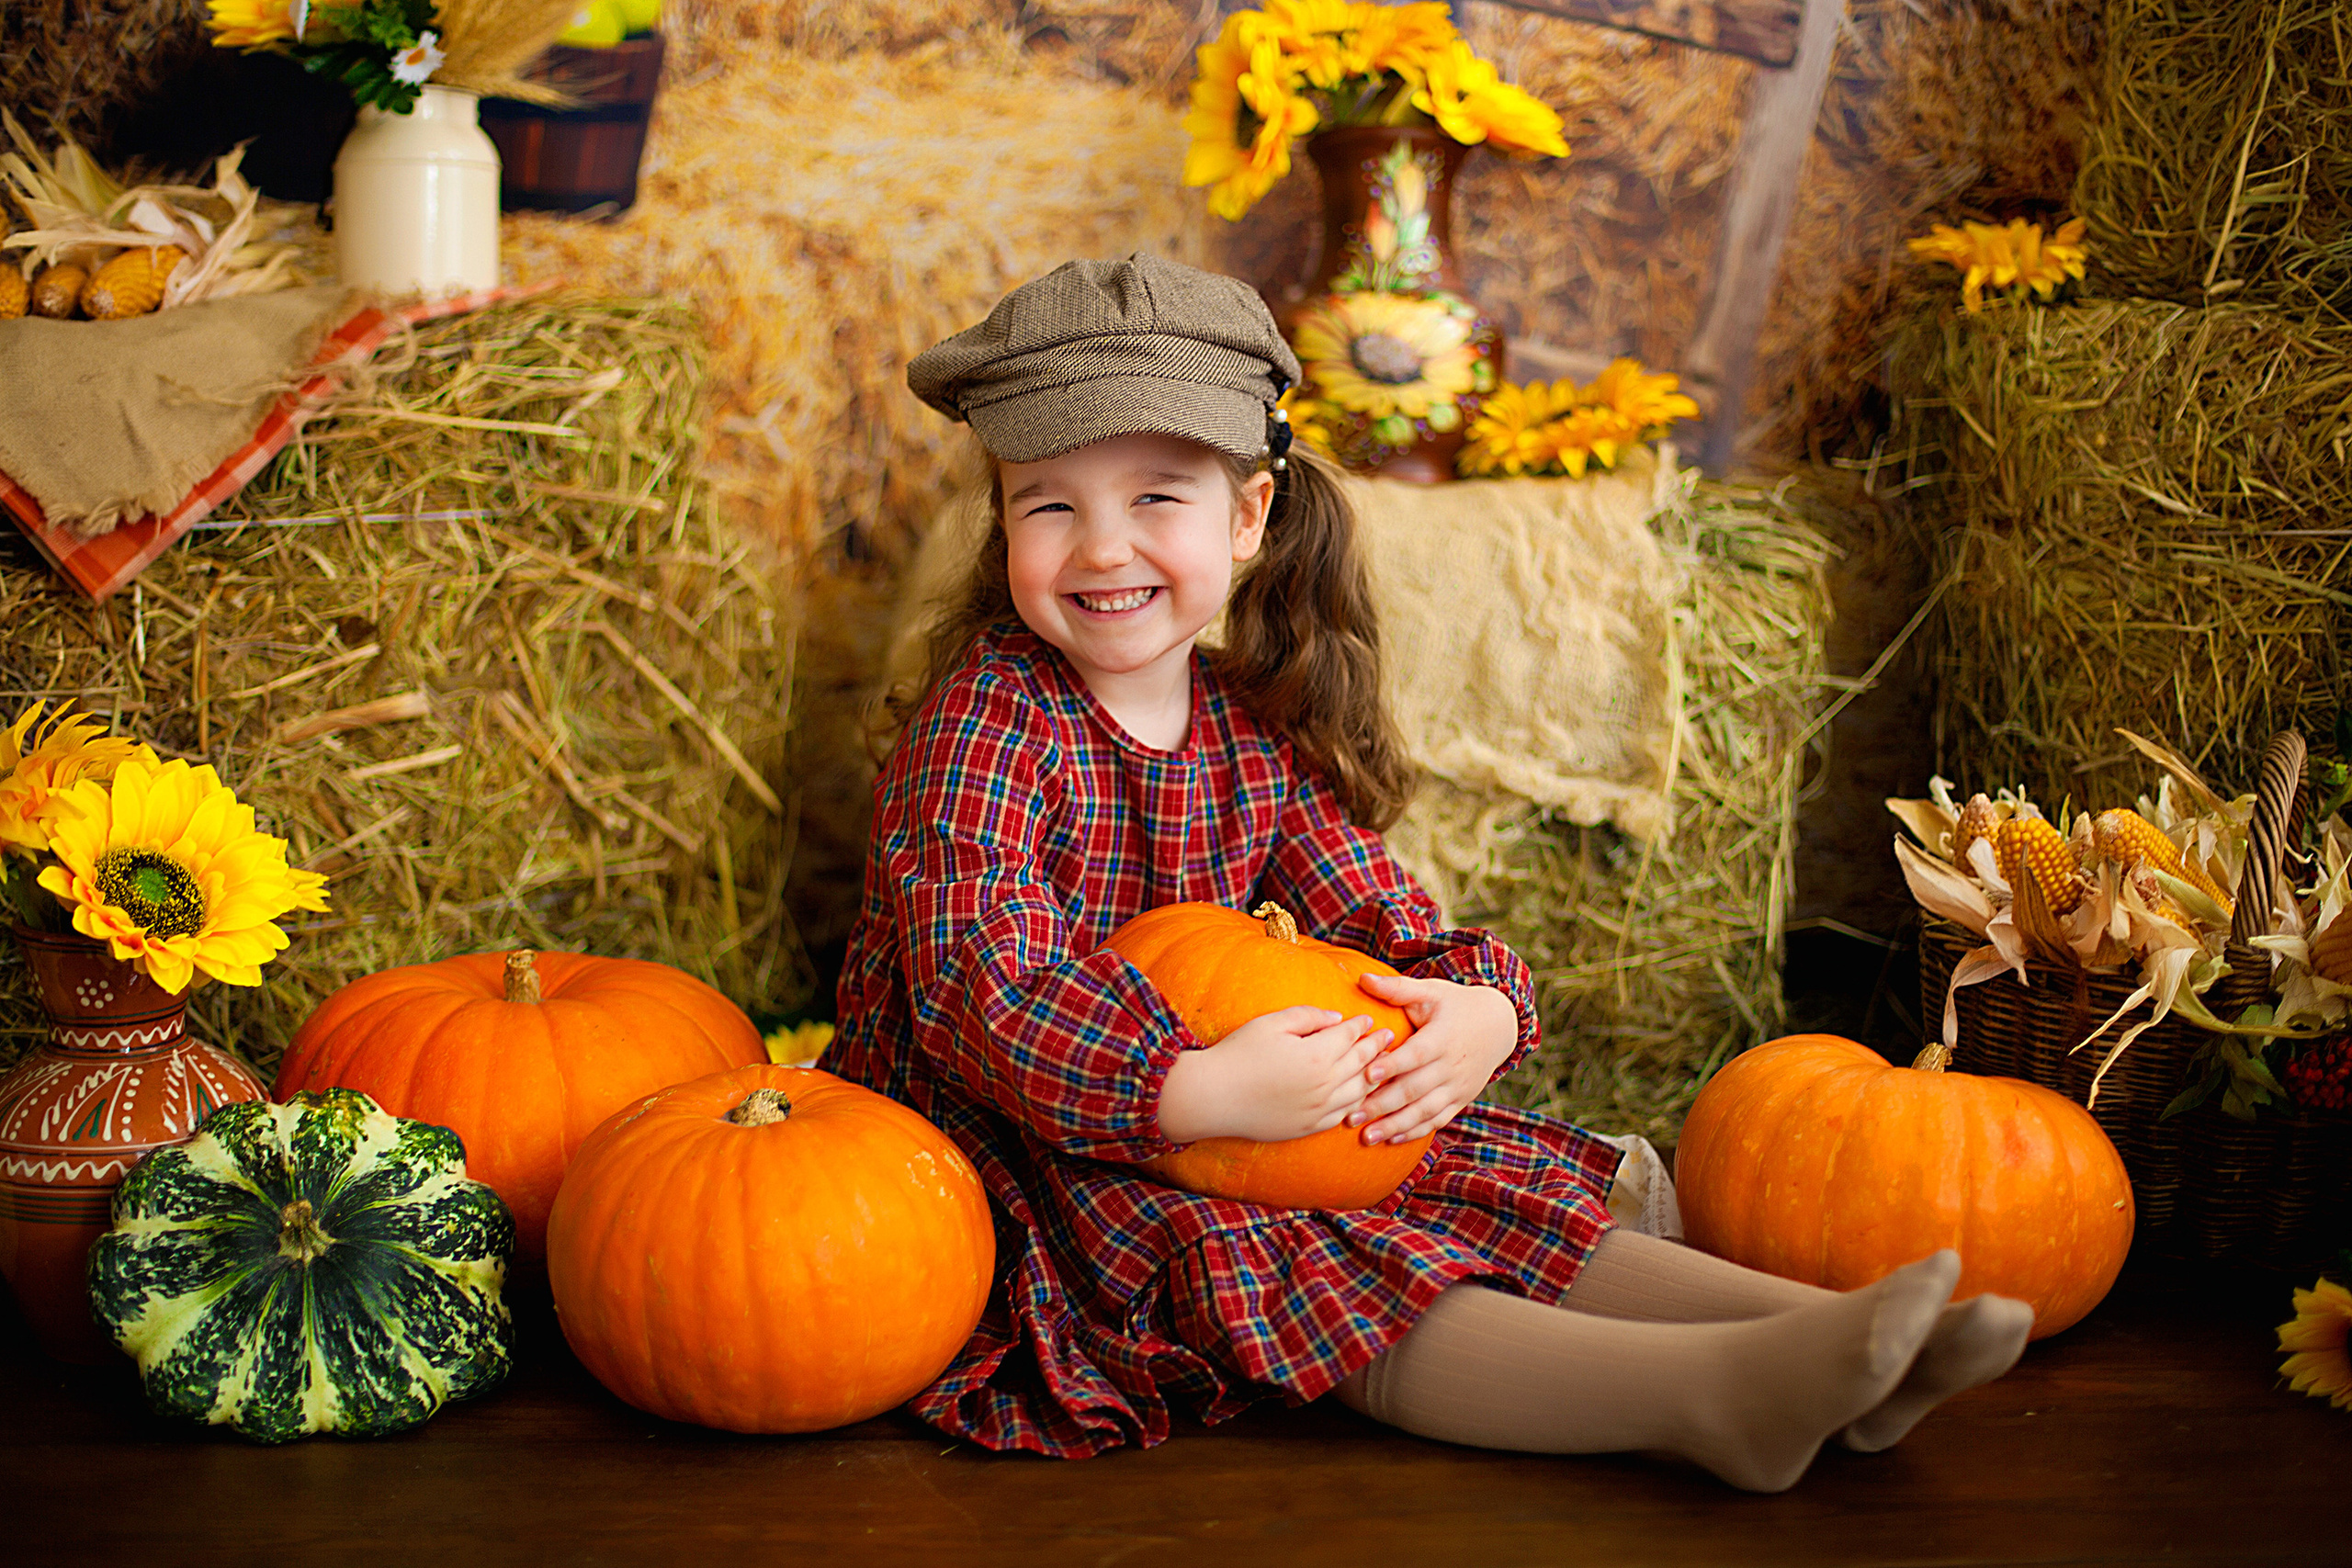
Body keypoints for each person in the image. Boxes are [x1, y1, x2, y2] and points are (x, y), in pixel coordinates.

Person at [826, 253, 2032, 1489]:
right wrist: (1187, 1094)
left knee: (1455, 1162)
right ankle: (1707, 1396)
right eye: (1050, 506)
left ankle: (1807, 1332)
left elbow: (1386, 918)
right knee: (1287, 1244)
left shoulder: (1249, 729)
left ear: (1247, 519)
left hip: (1231, 1104)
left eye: (1156, 498)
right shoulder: (988, 723)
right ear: (1004, 521)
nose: (1102, 547)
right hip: (1021, 1146)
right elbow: (982, 988)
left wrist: (1475, 1008)